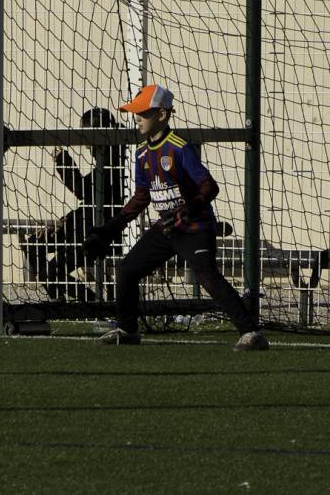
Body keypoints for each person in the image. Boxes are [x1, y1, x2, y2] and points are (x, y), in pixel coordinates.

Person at [83, 84, 268, 351]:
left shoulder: (179, 148)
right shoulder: (142, 154)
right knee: (127, 270)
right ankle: (127, 329)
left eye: (143, 113)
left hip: (193, 226)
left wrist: (187, 211)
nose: (137, 118)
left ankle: (252, 333)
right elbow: (141, 197)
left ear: (162, 115)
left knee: (207, 276)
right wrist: (107, 229)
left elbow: (209, 186)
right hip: (167, 228)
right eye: (136, 113)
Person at [22, 108, 127, 301]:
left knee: (54, 271)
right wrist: (65, 221)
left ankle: (90, 303)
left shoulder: (117, 161)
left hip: (98, 234)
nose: (85, 142)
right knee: (33, 245)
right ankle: (66, 299)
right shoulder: (106, 158)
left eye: (87, 133)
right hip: (80, 227)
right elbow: (89, 201)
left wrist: (63, 159)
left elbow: (85, 191)